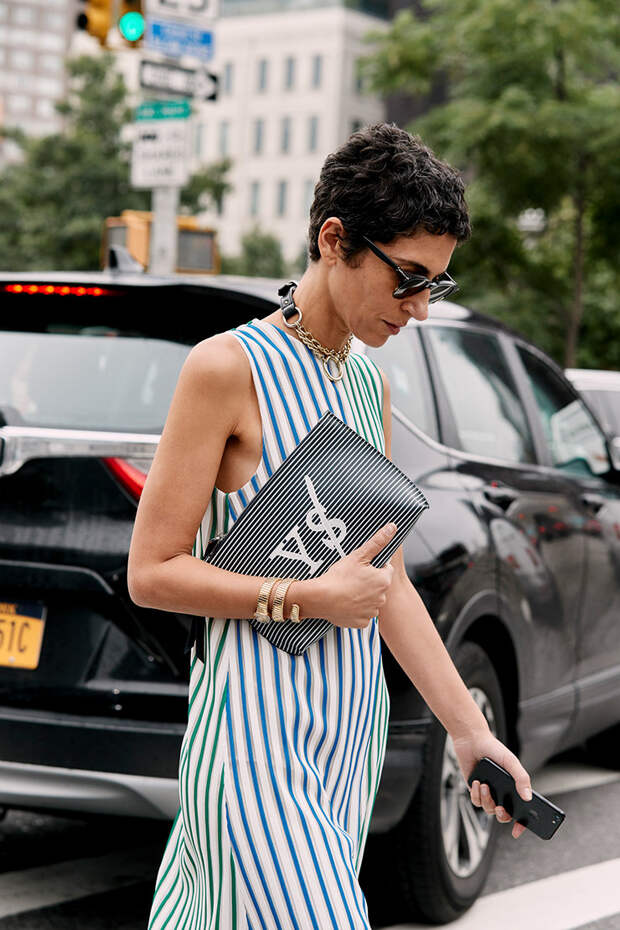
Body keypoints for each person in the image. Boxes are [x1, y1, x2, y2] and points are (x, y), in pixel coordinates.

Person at [128, 121, 533, 930]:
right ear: (334, 239)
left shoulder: (367, 387)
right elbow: (151, 573)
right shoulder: (226, 368)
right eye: (408, 279)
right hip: (252, 738)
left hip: (349, 736)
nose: (420, 309)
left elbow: (388, 585)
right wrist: (308, 598)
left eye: (436, 286)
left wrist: (468, 733)